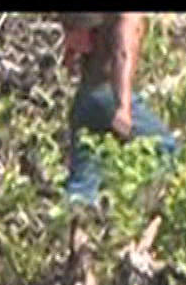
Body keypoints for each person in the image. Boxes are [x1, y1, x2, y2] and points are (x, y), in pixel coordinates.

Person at [60, 13, 179, 205]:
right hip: (109, 96)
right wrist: (123, 107)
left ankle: (72, 225)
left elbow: (76, 39)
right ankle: (152, 204)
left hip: (86, 98)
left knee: (83, 181)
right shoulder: (126, 16)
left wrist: (70, 55)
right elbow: (123, 53)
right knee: (167, 147)